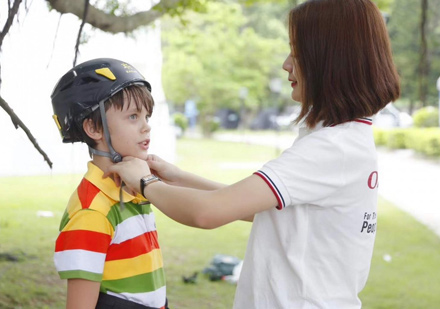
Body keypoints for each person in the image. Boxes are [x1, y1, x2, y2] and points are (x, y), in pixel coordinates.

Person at [106, 0, 400, 307]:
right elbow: (256, 208)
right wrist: (178, 178)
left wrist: (145, 184)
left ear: (329, 59)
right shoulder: (342, 140)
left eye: (297, 52)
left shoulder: (331, 149)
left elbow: (208, 213)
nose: (286, 64)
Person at [51, 58, 169, 309]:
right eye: (133, 116)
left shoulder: (132, 190)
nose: (146, 127)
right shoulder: (93, 211)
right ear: (94, 127)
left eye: (147, 116)